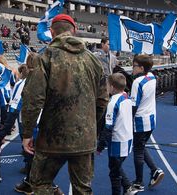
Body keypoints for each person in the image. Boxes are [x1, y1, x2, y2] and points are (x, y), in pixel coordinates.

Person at [22, 14, 108, 195]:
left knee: (40, 183)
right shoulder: (94, 61)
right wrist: (90, 126)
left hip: (52, 139)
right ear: (74, 31)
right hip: (85, 139)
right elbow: (102, 101)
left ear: (52, 32)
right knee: (83, 189)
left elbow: (33, 99)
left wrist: (27, 133)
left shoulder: (44, 57)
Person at [97, 73, 138, 195]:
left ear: (112, 87)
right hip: (127, 139)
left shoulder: (113, 103)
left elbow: (108, 127)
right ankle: (128, 187)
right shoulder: (126, 96)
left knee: (114, 173)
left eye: (107, 85)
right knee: (115, 166)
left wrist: (100, 146)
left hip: (117, 142)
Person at [131, 55, 164, 191]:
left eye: (134, 66)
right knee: (141, 146)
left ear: (141, 68)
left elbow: (134, 106)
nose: (132, 69)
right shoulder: (152, 77)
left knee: (138, 151)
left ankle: (139, 182)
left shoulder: (137, 82)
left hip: (140, 121)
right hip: (151, 120)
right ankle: (155, 170)